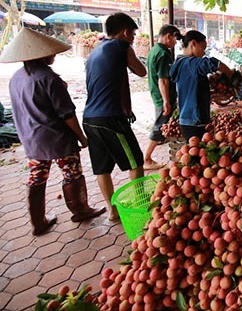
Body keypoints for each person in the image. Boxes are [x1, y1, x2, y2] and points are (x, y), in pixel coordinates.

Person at [0, 27, 105, 235]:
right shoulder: (50, 79)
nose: (54, 55)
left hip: (32, 139)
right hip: (57, 139)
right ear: (41, 54)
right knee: (72, 173)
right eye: (51, 52)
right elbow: (67, 114)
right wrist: (82, 138)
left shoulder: (17, 78)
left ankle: (38, 222)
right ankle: (80, 209)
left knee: (36, 178)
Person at [82, 12, 147, 221]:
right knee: (135, 162)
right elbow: (141, 71)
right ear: (126, 32)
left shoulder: (94, 51)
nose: (134, 39)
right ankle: (140, 206)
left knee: (103, 168)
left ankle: (113, 211)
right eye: (133, 35)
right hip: (110, 119)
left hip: (90, 119)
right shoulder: (122, 47)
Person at [170, 30, 234, 140]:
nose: (204, 53)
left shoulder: (180, 63)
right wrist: (230, 73)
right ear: (193, 43)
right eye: (202, 48)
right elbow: (212, 63)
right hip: (195, 120)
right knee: (197, 153)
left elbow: (193, 87)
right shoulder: (190, 63)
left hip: (186, 119)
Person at [144, 24, 180, 169]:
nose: (175, 42)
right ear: (168, 36)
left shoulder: (155, 50)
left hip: (157, 95)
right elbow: (163, 79)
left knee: (162, 125)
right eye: (175, 39)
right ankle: (147, 158)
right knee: (159, 127)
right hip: (162, 97)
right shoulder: (163, 54)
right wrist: (166, 101)